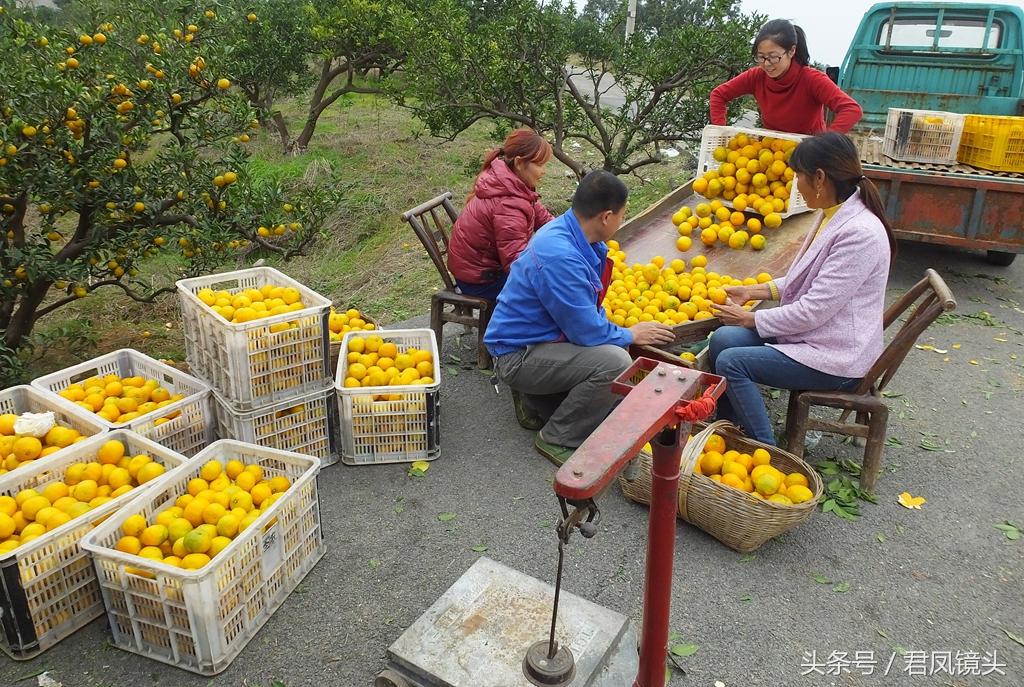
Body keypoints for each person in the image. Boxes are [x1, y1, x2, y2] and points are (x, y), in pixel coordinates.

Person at [708, 132, 895, 445]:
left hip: (837, 356)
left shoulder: (860, 234)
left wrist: (750, 319)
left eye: (798, 176)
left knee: (732, 362)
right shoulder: (832, 213)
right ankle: (730, 428)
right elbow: (806, 279)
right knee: (723, 339)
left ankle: (764, 451)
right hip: (818, 335)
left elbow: (813, 310)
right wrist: (754, 292)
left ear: (819, 178)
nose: (795, 184)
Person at [484, 171, 675, 466]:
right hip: (517, 355)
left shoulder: (574, 235)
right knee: (615, 362)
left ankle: (537, 399)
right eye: (623, 215)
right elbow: (585, 332)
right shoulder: (561, 255)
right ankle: (558, 436)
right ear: (607, 217)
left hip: (538, 340)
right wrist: (631, 334)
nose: (621, 221)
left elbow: (587, 308)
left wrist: (617, 333)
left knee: (610, 347)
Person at [446, 129, 556, 302]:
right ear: (520, 163)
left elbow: (546, 221)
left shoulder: (512, 184)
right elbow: (516, 264)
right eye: (540, 165)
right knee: (551, 294)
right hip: (481, 280)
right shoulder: (507, 203)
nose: (544, 171)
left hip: (479, 269)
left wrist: (569, 234)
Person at [709, 19, 862, 135]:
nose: (767, 64)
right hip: (771, 153)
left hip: (807, 156)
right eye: (761, 57)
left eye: (773, 57)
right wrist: (720, 131)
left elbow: (851, 109)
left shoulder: (812, 79)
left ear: (791, 51)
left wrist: (823, 142)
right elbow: (719, 95)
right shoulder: (756, 76)